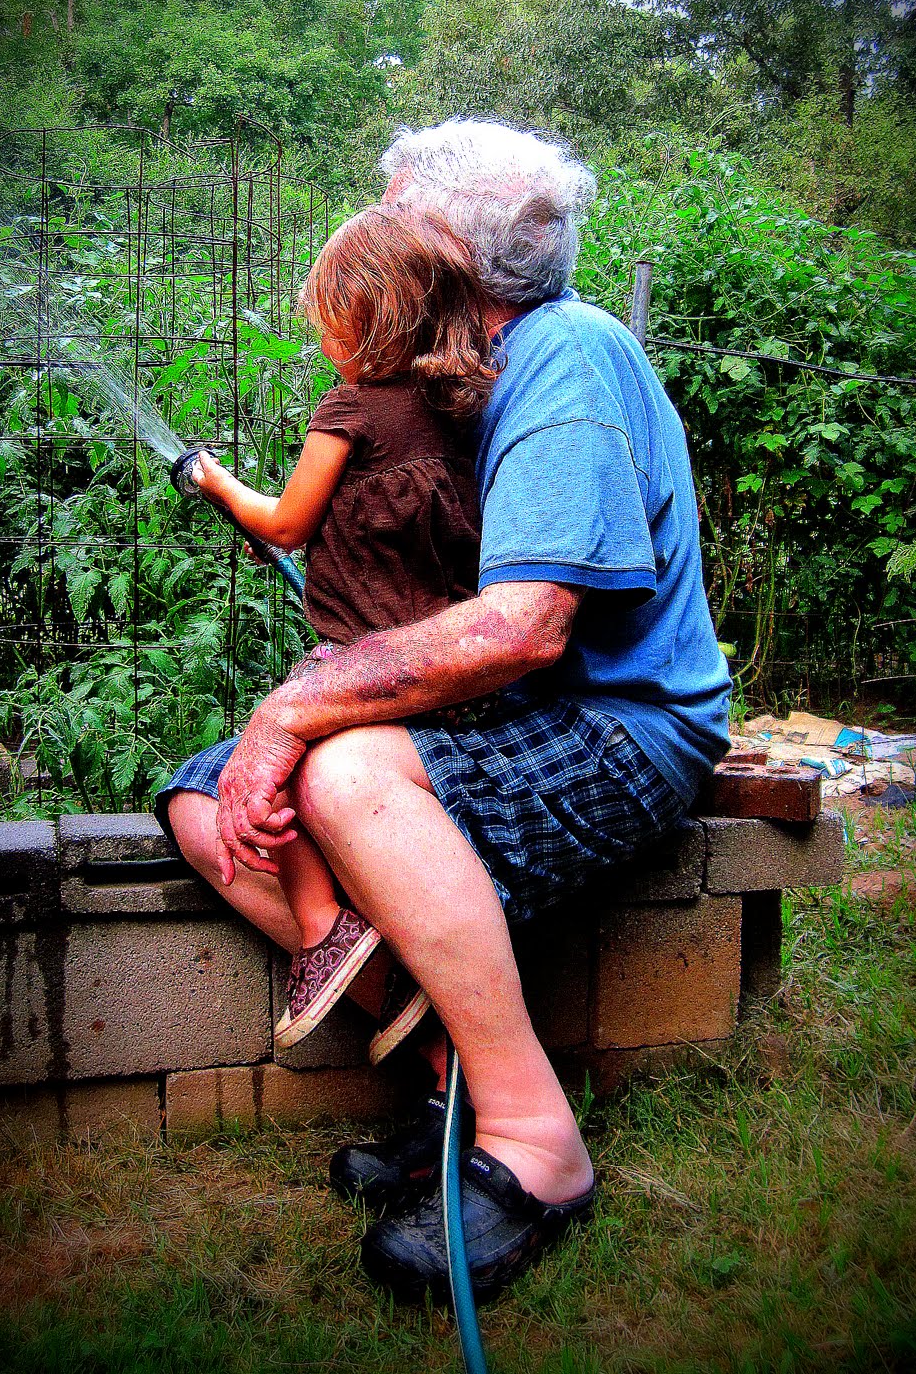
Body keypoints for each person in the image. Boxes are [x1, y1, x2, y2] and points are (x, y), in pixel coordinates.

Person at [155, 118, 731, 1301]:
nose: (371, 244)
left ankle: (535, 1141)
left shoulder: (565, 353)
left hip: (623, 724)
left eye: (392, 218)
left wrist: (296, 706)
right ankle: (449, 1081)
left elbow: (523, 628)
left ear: (446, 251)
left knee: (339, 771)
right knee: (208, 807)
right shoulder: (454, 377)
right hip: (523, 714)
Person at [186, 204, 497, 1056]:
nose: (324, 341)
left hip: (358, 657)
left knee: (280, 759)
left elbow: (286, 524)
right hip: (445, 665)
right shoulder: (463, 411)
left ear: (371, 317)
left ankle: (323, 927)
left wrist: (216, 484)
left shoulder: (349, 409)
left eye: (331, 322)